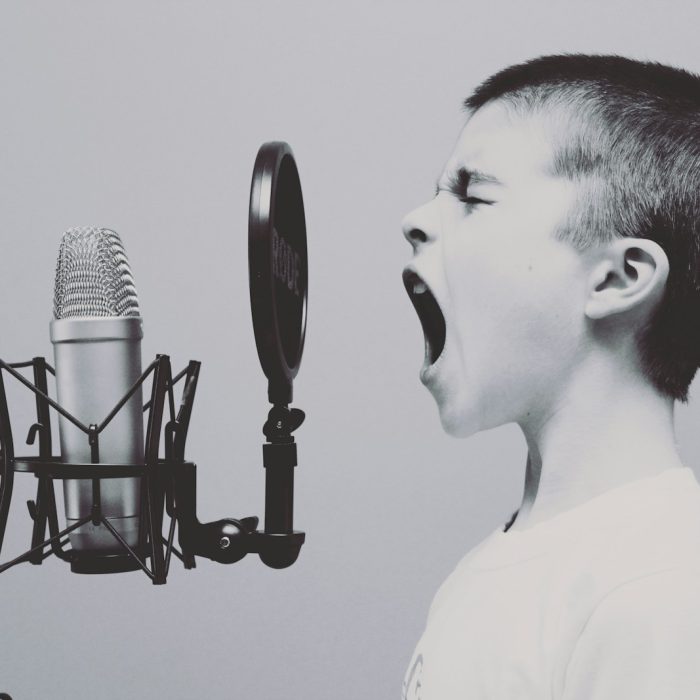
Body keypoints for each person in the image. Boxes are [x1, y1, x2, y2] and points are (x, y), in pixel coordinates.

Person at [400, 54, 700, 699]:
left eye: (473, 197)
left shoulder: (664, 584)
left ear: (619, 278)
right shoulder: (489, 569)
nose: (416, 220)